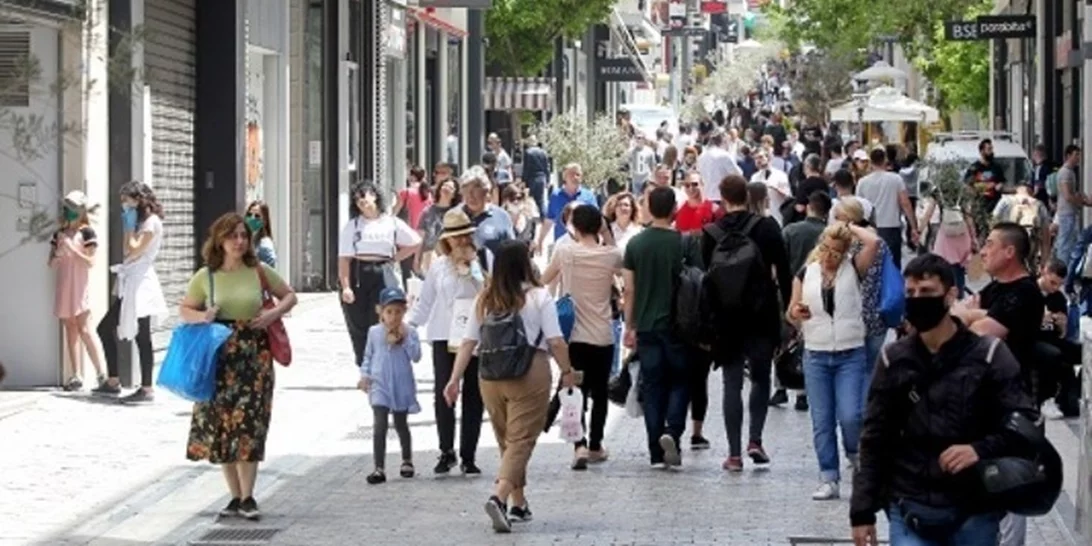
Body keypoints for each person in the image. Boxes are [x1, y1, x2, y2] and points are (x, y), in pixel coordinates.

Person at [850, 253, 1035, 546]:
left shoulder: (989, 356)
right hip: (910, 502)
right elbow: (875, 437)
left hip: (974, 505)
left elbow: (1024, 422)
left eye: (927, 292)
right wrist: (861, 512)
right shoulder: (894, 359)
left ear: (950, 295)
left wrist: (979, 449)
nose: (917, 299)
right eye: (910, 292)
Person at [443, 240, 576, 533]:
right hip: (530, 372)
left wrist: (454, 379)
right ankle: (499, 497)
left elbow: (468, 342)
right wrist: (567, 371)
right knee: (520, 441)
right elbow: (555, 341)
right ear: (525, 263)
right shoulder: (539, 296)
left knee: (507, 440)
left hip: (489, 376)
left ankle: (519, 503)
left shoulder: (485, 298)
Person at [181, 212, 299, 521]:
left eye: (243, 236)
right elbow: (185, 309)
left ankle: (248, 497)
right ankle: (234, 496)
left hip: (254, 356)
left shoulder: (258, 270)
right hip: (218, 356)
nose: (239, 241)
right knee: (223, 424)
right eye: (232, 235)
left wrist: (273, 315)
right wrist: (203, 316)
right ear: (219, 239)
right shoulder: (206, 276)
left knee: (249, 423)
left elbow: (289, 295)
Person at [950, 222, 1045, 546]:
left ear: (1010, 251)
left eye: (990, 244)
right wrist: (971, 314)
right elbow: (961, 321)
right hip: (980, 400)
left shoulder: (1025, 292)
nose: (983, 250)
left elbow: (977, 332)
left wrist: (971, 315)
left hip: (1013, 402)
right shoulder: (995, 290)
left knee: (1011, 481)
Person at [701, 174, 792, 472]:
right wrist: (789, 310)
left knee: (731, 383)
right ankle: (756, 439)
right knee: (762, 377)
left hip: (726, 320)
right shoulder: (767, 228)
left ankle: (734, 454)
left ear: (723, 197)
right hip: (761, 314)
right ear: (749, 196)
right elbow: (786, 270)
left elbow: (706, 277)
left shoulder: (711, 233)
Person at [787, 222, 879, 500]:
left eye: (836, 251)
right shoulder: (805, 273)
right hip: (816, 353)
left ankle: (854, 452)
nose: (829, 256)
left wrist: (847, 224)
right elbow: (791, 312)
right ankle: (829, 477)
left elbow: (873, 243)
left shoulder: (854, 269)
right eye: (825, 248)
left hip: (850, 352)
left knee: (852, 415)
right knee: (822, 420)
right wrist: (796, 312)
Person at [542, 206, 621, 469]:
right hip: (602, 335)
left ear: (574, 226)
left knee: (574, 391)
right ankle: (597, 444)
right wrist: (606, 234)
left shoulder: (565, 252)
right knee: (600, 393)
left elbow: (544, 279)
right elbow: (623, 272)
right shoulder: (611, 255)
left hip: (574, 336)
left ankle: (580, 446)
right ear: (599, 225)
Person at [409, 208, 487, 475]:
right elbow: (427, 299)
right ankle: (446, 450)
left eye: (465, 236)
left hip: (471, 334)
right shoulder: (438, 265)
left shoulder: (479, 261)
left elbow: (487, 294)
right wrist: (410, 325)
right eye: (455, 238)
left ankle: (469, 454)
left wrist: (472, 271)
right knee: (444, 392)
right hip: (443, 333)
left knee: (474, 395)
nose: (461, 242)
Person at [623, 186, 692, 468]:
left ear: (649, 207)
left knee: (652, 387)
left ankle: (655, 451)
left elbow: (629, 289)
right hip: (679, 325)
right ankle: (672, 431)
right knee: (680, 381)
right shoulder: (684, 243)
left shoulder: (636, 244)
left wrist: (630, 325)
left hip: (647, 325)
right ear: (674, 208)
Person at [92, 181, 169, 403]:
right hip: (131, 279)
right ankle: (114, 380)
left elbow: (133, 249)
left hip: (141, 283)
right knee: (106, 328)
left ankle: (146, 388)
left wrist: (127, 227)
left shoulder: (151, 223)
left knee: (142, 334)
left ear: (139, 199)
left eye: (127, 200)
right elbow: (129, 249)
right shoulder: (141, 222)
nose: (124, 205)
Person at [337, 180, 422, 368]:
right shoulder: (353, 226)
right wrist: (346, 286)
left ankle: (383, 359)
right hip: (359, 272)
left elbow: (415, 242)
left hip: (382, 271)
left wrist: (395, 257)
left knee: (382, 317)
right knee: (358, 321)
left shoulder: (391, 222)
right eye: (357, 199)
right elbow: (344, 258)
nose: (361, 201)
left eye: (364, 196)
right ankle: (364, 362)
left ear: (374, 196)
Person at [358, 286, 421, 485]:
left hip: (401, 385)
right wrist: (365, 375)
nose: (393, 317)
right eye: (389, 312)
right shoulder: (374, 333)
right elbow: (367, 356)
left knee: (401, 423)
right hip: (380, 384)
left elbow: (416, 356)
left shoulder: (410, 332)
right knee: (380, 424)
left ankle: (407, 460)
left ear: (405, 312)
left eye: (398, 312)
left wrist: (405, 339)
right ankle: (379, 467)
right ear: (381, 312)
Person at [51, 190, 106, 391]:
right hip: (64, 285)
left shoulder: (87, 233)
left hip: (80, 287)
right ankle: (76, 374)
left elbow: (91, 261)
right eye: (66, 207)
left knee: (85, 328)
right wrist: (58, 253)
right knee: (70, 328)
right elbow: (51, 263)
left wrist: (74, 250)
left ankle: (101, 373)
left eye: (72, 208)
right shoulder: (59, 234)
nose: (69, 211)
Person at [856, 147, 918, 267]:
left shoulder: (862, 182)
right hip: (892, 226)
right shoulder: (896, 179)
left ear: (871, 162)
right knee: (893, 263)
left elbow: (859, 207)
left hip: (870, 228)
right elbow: (905, 203)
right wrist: (914, 226)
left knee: (873, 264)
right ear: (885, 160)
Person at [537, 163, 598, 257]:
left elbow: (596, 220)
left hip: (584, 247)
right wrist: (540, 240)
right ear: (564, 177)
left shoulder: (588, 196)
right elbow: (549, 220)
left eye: (578, 174)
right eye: (571, 174)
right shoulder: (555, 196)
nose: (575, 177)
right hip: (562, 247)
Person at [416, 171, 460, 275]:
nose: (446, 189)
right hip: (429, 256)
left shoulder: (456, 213)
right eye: (444, 185)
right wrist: (417, 258)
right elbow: (420, 237)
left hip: (449, 257)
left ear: (454, 194)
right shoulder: (428, 211)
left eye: (450, 188)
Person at [1051, 144, 1085, 263]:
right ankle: (1062, 273)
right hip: (1067, 214)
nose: (1078, 158)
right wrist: (1081, 201)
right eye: (1076, 155)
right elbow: (1067, 195)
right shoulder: (1065, 173)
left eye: (1079, 155)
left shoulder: (1070, 172)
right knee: (1065, 245)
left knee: (1069, 243)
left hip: (1069, 213)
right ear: (1068, 156)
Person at [697, 130, 743, 204]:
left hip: (706, 197)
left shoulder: (701, 157)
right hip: (721, 198)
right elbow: (738, 175)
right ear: (723, 141)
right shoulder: (724, 155)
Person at [750, 148, 792, 226]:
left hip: (777, 216)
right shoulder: (754, 177)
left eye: (760, 157)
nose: (758, 161)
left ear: (768, 158)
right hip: (759, 218)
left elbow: (788, 196)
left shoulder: (780, 175)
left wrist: (775, 188)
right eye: (755, 159)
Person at [245, 200, 277, 268]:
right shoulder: (246, 240)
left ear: (264, 221)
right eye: (249, 214)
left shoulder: (264, 245)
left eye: (257, 216)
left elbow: (270, 272)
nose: (252, 218)